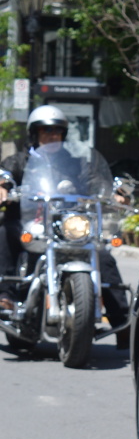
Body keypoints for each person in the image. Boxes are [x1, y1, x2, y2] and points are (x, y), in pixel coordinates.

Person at [0, 105, 130, 346]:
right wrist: (3, 187)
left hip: (68, 227)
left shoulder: (76, 163)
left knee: (103, 255)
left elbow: (97, 181)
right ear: (35, 134)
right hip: (29, 225)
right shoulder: (19, 160)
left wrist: (113, 193)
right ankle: (6, 297)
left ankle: (123, 322)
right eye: (46, 131)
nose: (52, 136)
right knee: (5, 232)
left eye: (57, 132)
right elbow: (4, 174)